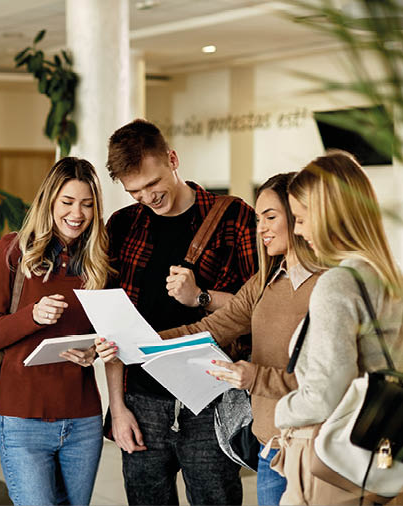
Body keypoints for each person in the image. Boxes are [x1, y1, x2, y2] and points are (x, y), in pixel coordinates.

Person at [98, 172, 320, 505]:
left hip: (315, 444)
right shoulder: (265, 281)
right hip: (271, 444)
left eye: (271, 217)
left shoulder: (331, 284)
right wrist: (131, 345)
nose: (261, 229)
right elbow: (211, 328)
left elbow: (329, 379)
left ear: (301, 215)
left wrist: (253, 376)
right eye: (259, 219)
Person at [99, 118, 257, 505]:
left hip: (211, 399)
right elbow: (113, 325)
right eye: (135, 192)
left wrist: (201, 297)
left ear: (172, 158)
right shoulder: (122, 225)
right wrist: (117, 409)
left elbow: (260, 306)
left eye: (153, 184)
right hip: (141, 401)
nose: (148, 198)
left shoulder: (234, 217)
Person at [0, 157, 113, 506]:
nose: (77, 214)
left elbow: (109, 331)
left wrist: (94, 352)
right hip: (23, 419)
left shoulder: (98, 258)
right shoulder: (13, 251)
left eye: (87, 204)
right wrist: (32, 316)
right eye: (67, 202)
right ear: (49, 201)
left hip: (83, 419)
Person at [273, 151, 403, 505]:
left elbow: (325, 393)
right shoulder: (390, 277)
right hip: (384, 455)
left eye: (300, 219)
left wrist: (281, 412)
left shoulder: (339, 283)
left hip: (335, 460)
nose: (297, 231)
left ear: (330, 215)